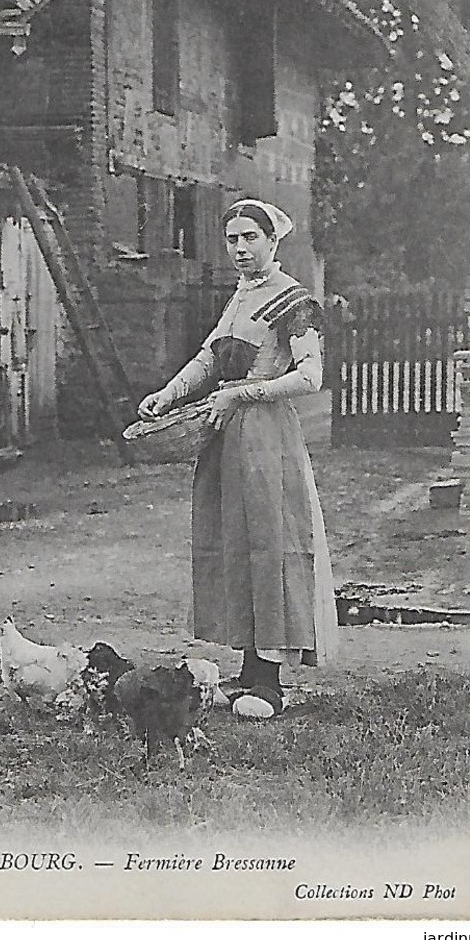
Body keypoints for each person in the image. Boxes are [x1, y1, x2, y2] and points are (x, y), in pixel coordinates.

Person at [138, 198, 338, 716]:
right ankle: (249, 670)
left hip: (266, 435)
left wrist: (243, 395)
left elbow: (309, 377)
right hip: (226, 434)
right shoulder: (239, 298)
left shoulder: (294, 302)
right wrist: (168, 394)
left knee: (270, 542)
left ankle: (269, 681)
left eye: (252, 237)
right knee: (234, 542)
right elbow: (209, 358)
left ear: (273, 242)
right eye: (233, 239)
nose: (241, 248)